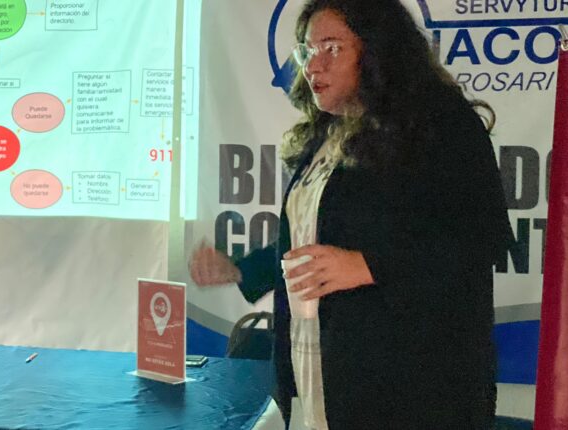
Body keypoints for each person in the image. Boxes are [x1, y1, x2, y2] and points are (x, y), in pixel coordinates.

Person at [189, 0, 514, 428]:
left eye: (332, 47)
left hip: (414, 388)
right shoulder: (328, 134)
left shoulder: (442, 126)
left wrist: (369, 266)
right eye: (307, 51)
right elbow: (318, 240)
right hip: (322, 372)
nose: (313, 65)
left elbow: (478, 240)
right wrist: (240, 270)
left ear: (378, 49)